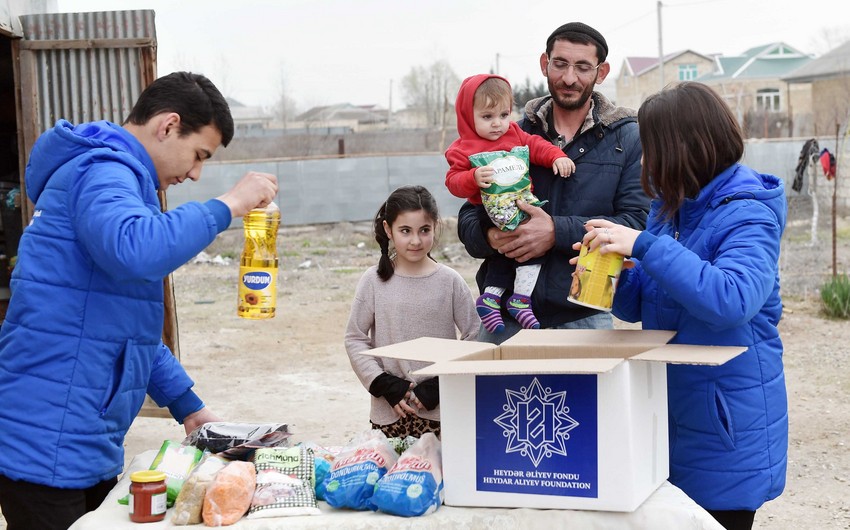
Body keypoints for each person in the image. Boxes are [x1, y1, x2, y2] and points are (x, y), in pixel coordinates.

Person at [0, 71, 278, 529]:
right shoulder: (103, 170)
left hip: (78, 439)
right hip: (48, 446)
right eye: (198, 155)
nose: (194, 173)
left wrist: (189, 407)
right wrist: (228, 204)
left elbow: (126, 328)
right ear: (168, 126)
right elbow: (135, 249)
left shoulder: (123, 183)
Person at [574, 82, 787, 530]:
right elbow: (644, 307)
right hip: (671, 415)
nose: (645, 161)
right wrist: (612, 273)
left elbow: (732, 299)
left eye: (650, 147)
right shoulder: (671, 207)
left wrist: (646, 246)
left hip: (723, 424)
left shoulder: (747, 212)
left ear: (681, 146)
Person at [457, 21, 649, 344]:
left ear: (601, 73)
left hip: (584, 316)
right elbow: (467, 219)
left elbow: (636, 224)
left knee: (587, 397)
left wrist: (555, 232)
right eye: (560, 64)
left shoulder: (628, 138)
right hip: (504, 320)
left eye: (583, 67)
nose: (569, 78)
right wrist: (492, 236)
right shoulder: (509, 134)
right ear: (545, 64)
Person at [345, 185, 479, 439]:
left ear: (435, 227)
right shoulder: (373, 281)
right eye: (405, 231)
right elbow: (355, 338)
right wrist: (384, 384)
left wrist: (442, 385)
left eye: (424, 230)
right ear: (388, 229)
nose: (416, 240)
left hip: (443, 413)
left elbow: (475, 336)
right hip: (390, 412)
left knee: (442, 477)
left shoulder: (450, 281)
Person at [445, 74, 574, 334]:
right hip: (490, 210)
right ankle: (491, 297)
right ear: (467, 115)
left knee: (533, 252)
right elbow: (453, 182)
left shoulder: (514, 133)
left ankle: (520, 299)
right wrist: (472, 178)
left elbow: (536, 145)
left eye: (504, 115)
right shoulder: (462, 149)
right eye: (487, 117)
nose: (497, 124)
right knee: (504, 255)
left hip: (521, 203)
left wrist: (556, 156)